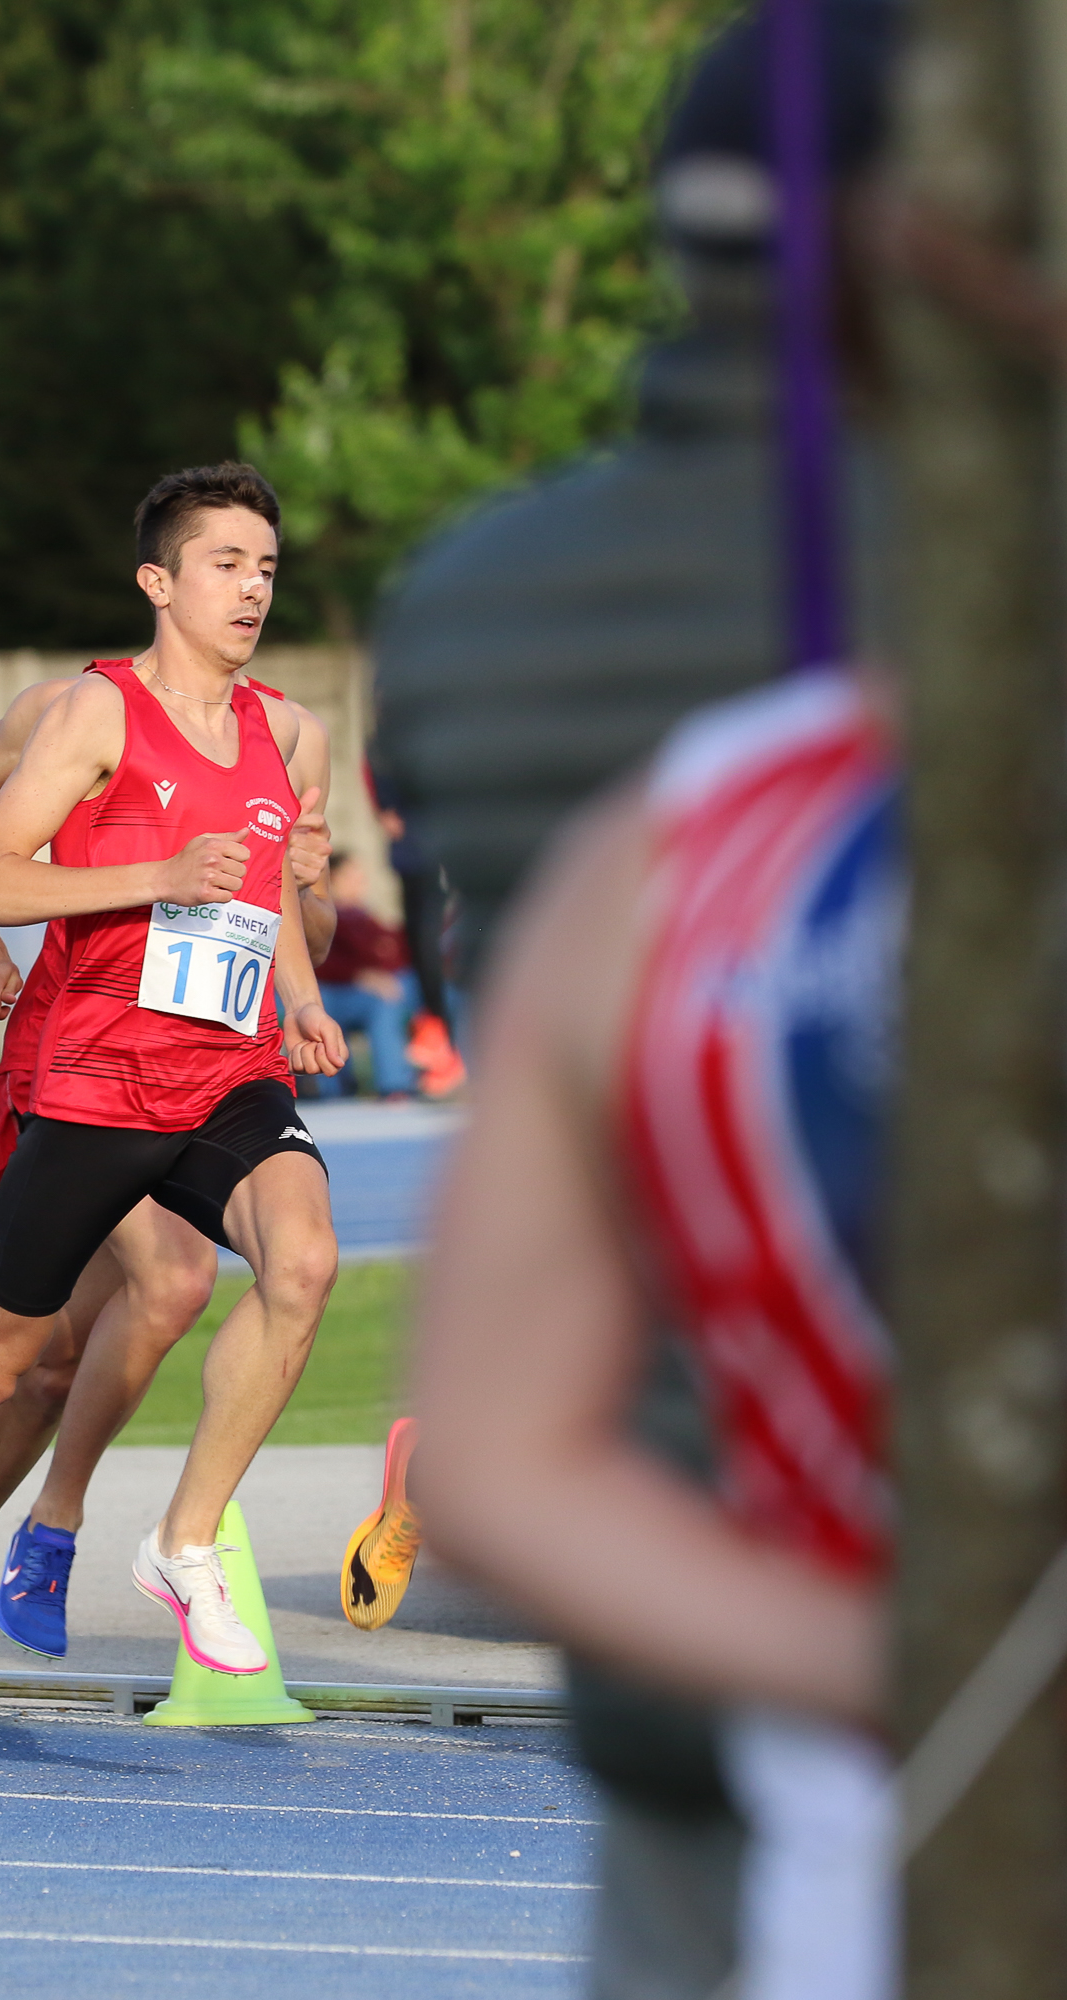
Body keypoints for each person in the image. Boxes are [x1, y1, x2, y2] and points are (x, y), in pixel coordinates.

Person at [0, 462, 347, 1731]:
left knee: (301, 1260)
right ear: (159, 580)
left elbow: (268, 895)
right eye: (226, 564)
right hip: (95, 1078)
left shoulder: (286, 735)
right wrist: (151, 876)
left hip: (230, 1070)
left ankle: (183, 1541)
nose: (252, 588)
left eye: (266, 567)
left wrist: (304, 986)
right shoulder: (93, 712)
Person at [416, 666, 896, 1998]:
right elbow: (489, 1470)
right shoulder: (683, 845)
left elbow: (490, 1467)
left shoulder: (672, 841)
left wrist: (894, 1656)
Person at [309, 852, 419, 1099]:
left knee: (401, 991)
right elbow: (316, 962)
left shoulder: (364, 916)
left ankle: (400, 1081)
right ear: (333, 879)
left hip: (370, 991)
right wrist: (360, 975)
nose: (359, 881)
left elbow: (395, 953)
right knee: (378, 1001)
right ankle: (335, 1087)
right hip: (332, 993)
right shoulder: (323, 914)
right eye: (350, 875)